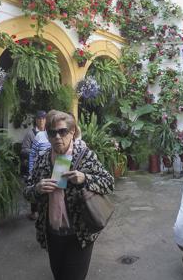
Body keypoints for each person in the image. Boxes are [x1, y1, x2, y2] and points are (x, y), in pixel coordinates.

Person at [23, 110, 114, 280]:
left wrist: (85, 178)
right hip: (52, 233)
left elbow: (109, 182)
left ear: (72, 132)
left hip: (79, 234)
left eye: (62, 131)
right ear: (47, 135)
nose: (57, 137)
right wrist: (37, 188)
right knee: (58, 275)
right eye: (52, 132)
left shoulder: (85, 156)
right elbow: (27, 192)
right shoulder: (42, 160)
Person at [26, 119, 52, 221]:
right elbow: (32, 154)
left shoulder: (60, 139)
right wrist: (31, 170)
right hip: (39, 171)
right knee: (39, 190)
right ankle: (36, 212)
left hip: (54, 172)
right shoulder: (39, 136)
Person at [21, 110, 47, 176]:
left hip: (46, 166)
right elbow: (24, 150)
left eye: (43, 118)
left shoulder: (49, 133)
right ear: (36, 120)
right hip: (34, 166)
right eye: (39, 118)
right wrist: (36, 152)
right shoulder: (30, 134)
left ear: (46, 120)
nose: (41, 121)